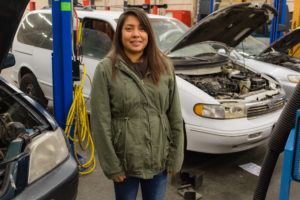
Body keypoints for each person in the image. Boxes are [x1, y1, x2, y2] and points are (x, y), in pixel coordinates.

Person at [90, 8, 184, 200]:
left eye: (142, 29)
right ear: (120, 34)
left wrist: (175, 157)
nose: (136, 34)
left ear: (148, 33)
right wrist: (112, 165)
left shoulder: (165, 66)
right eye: (129, 29)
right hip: (125, 162)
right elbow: (100, 122)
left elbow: (174, 115)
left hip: (159, 158)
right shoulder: (106, 69)